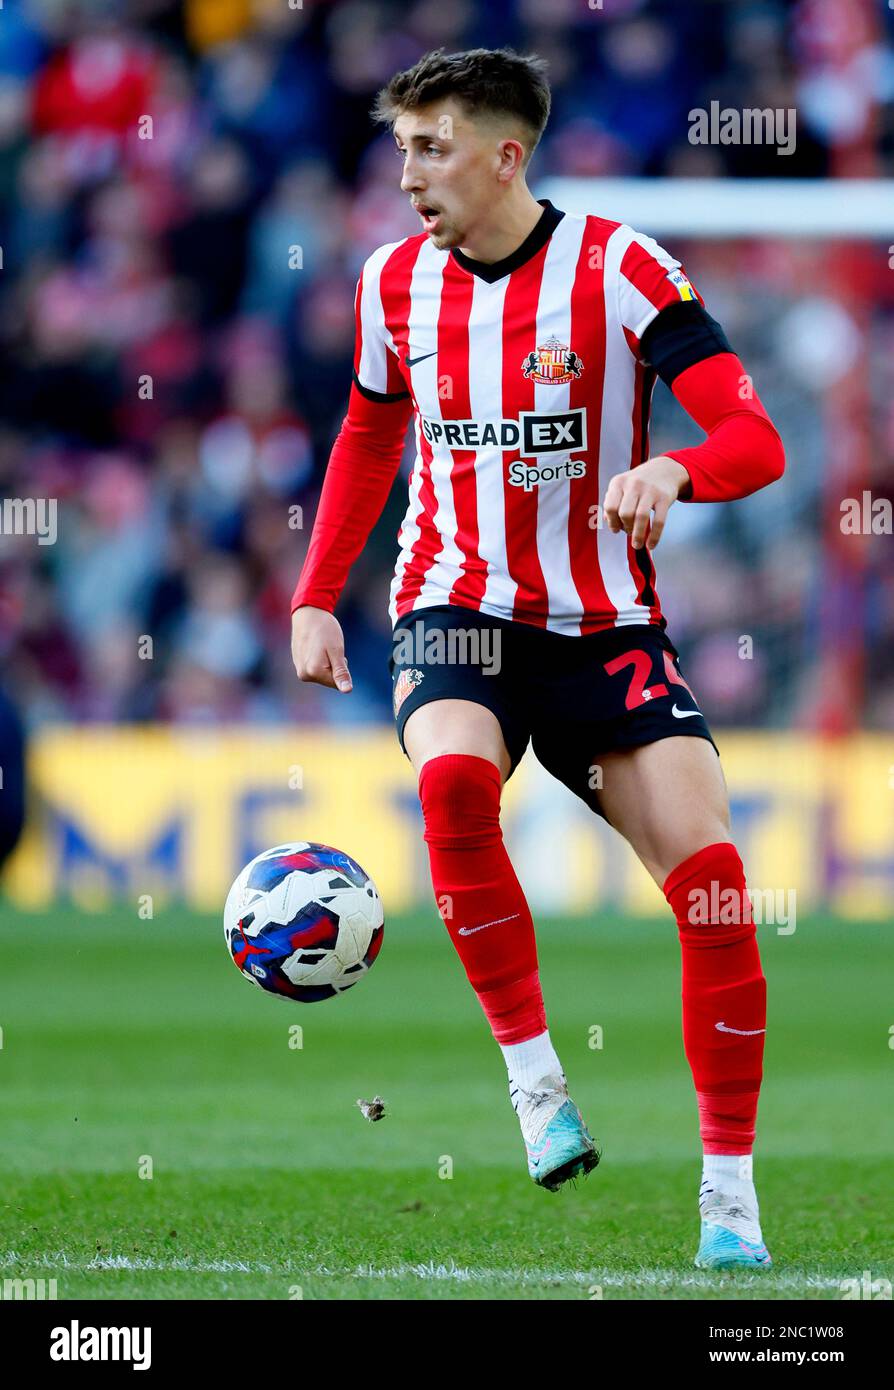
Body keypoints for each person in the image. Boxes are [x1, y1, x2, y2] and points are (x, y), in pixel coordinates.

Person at [290, 48, 784, 1271]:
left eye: (432, 145)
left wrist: (678, 466)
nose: (407, 172)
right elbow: (367, 438)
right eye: (401, 146)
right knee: (454, 786)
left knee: (715, 885)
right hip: (453, 603)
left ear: (508, 154)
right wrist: (313, 597)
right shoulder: (392, 284)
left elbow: (754, 437)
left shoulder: (620, 270)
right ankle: (535, 1082)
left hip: (605, 629)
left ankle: (730, 1199)